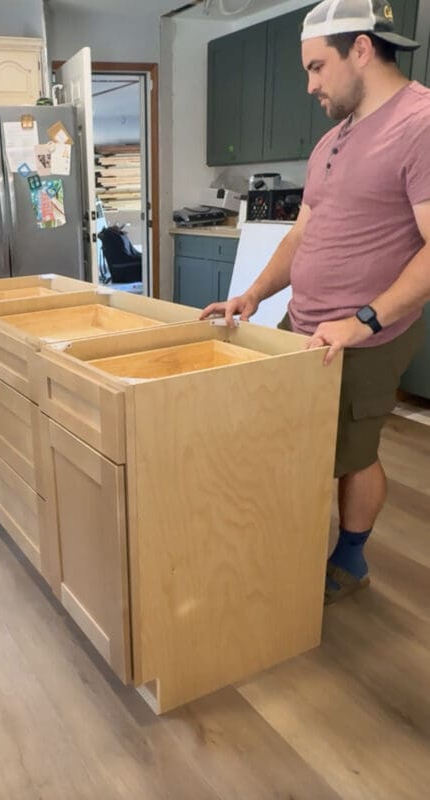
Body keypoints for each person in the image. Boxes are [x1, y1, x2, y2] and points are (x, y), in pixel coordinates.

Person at [200, 0, 430, 604]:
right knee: (281, 433)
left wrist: (363, 321)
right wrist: (251, 295)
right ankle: (285, 539)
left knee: (353, 453)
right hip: (302, 320)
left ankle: (348, 560)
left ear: (360, 49)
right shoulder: (333, 138)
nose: (310, 85)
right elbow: (302, 233)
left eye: (317, 68)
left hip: (367, 333)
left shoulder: (421, 123)